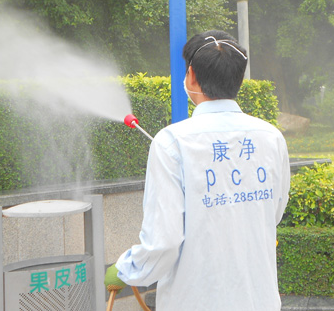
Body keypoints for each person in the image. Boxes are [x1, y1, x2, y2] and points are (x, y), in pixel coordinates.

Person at [105, 30, 291, 311]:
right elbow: (272, 214)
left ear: (191, 76)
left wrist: (126, 269)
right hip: (259, 301)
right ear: (238, 79)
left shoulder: (171, 142)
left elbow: (163, 242)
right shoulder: (271, 137)